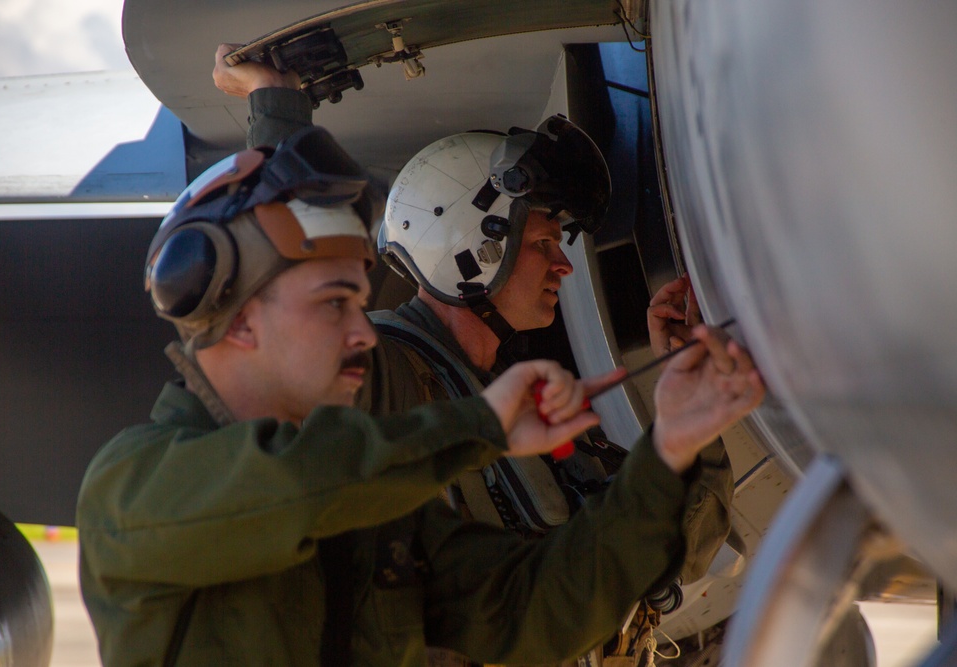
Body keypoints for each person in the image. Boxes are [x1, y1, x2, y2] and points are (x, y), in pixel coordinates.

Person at [76, 117, 764, 666]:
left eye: (359, 302)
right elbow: (291, 480)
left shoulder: (380, 518)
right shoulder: (131, 487)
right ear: (239, 317)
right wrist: (482, 426)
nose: (363, 331)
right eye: (334, 303)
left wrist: (673, 444)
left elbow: (541, 605)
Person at [211, 45, 738, 665]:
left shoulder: (518, 409)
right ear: (469, 251)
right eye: (543, 244)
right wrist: (276, 109)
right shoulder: (381, 372)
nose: (564, 265)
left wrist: (688, 406)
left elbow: (666, 558)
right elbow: (287, 300)